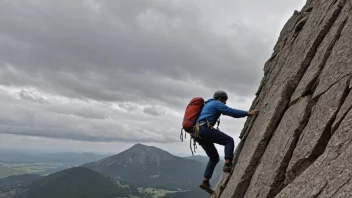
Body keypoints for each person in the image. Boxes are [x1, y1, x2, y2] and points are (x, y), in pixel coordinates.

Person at [192, 90, 260, 193]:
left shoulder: (207, 105)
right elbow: (230, 111)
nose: (225, 103)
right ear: (220, 98)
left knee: (214, 158)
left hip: (197, 133)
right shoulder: (216, 103)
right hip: (204, 129)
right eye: (224, 100)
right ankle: (228, 164)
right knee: (229, 141)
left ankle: (205, 181)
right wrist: (248, 113)